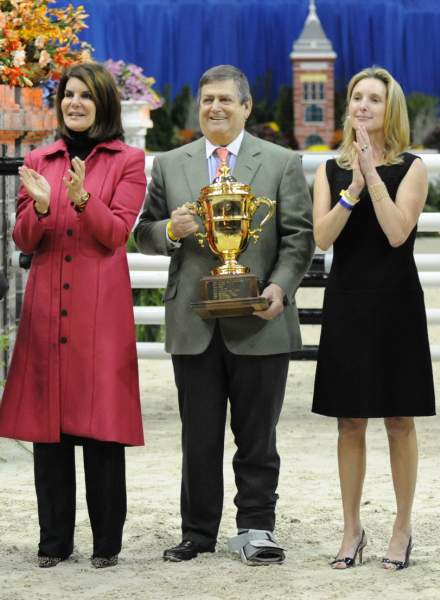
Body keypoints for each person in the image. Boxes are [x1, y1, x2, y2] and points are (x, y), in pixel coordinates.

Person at [134, 64, 314, 565]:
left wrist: (280, 287)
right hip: (195, 322)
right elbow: (143, 232)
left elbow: (300, 238)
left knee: (258, 436)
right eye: (207, 99)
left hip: (261, 318)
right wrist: (170, 229)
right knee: (199, 435)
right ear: (199, 106)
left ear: (246, 107)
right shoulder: (170, 164)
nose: (215, 107)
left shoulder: (280, 162)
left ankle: (256, 527)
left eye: (225, 100)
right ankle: (197, 532)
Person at [0, 62, 146, 568]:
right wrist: (39, 210)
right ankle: (53, 541)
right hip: (47, 308)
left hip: (100, 312)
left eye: (86, 95)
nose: (75, 103)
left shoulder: (128, 160)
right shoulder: (40, 158)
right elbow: (23, 239)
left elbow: (115, 234)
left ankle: (106, 544)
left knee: (102, 427)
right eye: (68, 95)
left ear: (103, 103)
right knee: (50, 431)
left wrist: (82, 199)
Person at [312, 66, 435, 571]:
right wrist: (351, 189)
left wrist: (372, 179)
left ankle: (402, 530)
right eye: (356, 97)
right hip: (347, 300)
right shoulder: (328, 170)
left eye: (373, 99)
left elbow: (397, 233)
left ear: (391, 111)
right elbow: (322, 238)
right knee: (349, 421)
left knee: (400, 420)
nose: (362, 105)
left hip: (396, 303)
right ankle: (351, 530)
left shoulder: (413, 167)